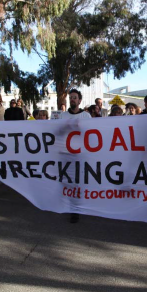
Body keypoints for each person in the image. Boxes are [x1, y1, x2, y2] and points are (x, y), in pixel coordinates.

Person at [60, 89, 91, 223]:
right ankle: (70, 206)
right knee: (67, 180)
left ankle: (76, 208)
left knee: (77, 182)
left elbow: (92, 135)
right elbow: (57, 132)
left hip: (80, 154)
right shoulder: (63, 116)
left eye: (75, 97)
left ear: (79, 101)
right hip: (65, 153)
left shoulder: (86, 116)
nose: (72, 99)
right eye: (71, 97)